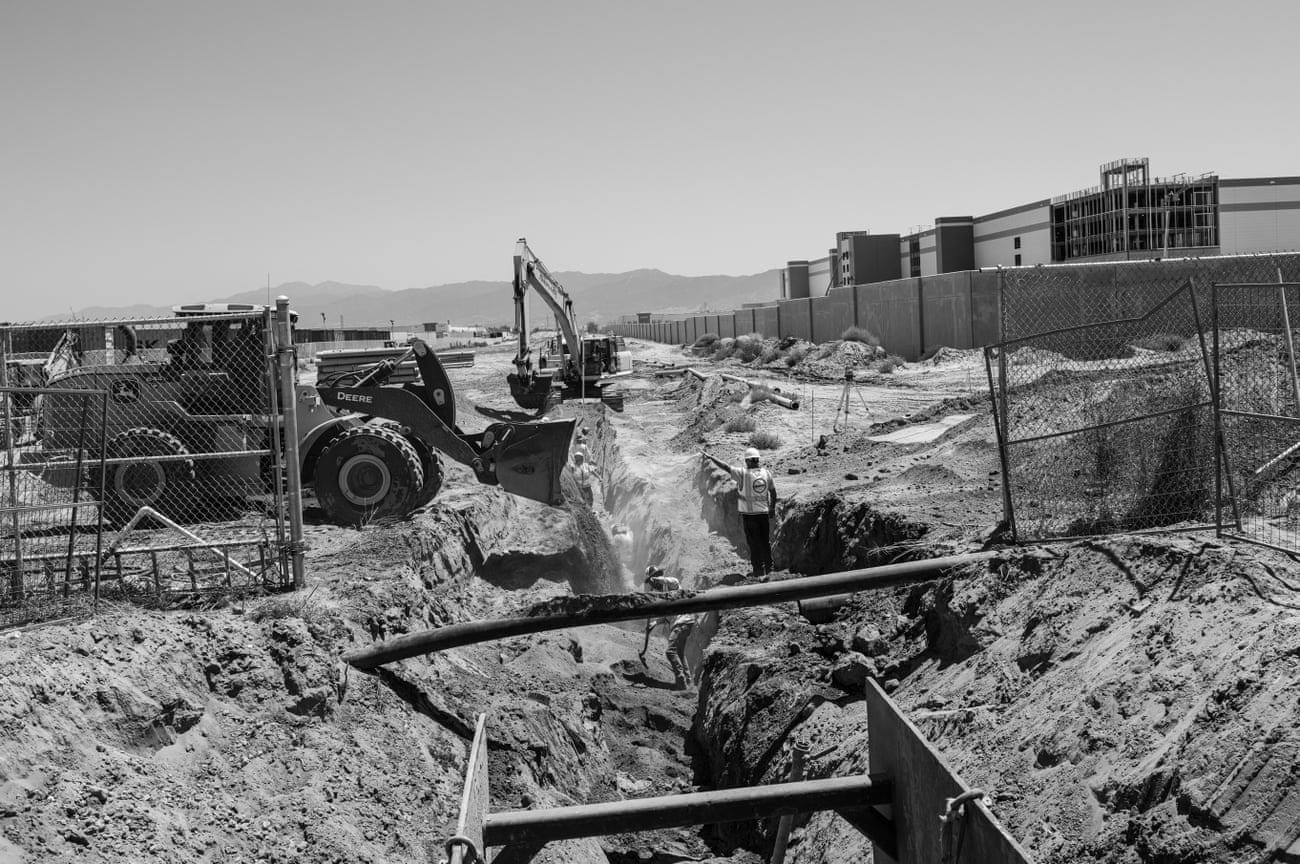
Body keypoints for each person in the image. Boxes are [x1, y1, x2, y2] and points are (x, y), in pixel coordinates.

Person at [702, 446, 777, 576]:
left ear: (748, 461)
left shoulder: (742, 474)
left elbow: (725, 467)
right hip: (763, 514)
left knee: (753, 543)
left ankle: (758, 570)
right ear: (757, 459)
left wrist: (711, 457)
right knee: (765, 541)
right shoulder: (766, 473)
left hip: (749, 516)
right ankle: (769, 568)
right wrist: (772, 508)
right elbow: (773, 492)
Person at [640, 567, 693, 689]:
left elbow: (674, 581)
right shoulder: (661, 596)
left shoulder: (671, 585)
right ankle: (688, 681)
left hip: (682, 621)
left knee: (670, 652)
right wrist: (654, 623)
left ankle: (681, 682)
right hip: (683, 621)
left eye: (653, 582)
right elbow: (666, 617)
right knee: (679, 653)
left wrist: (658, 579)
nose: (653, 586)